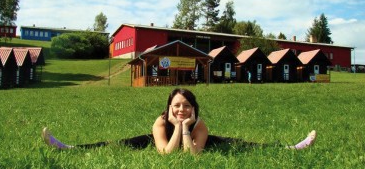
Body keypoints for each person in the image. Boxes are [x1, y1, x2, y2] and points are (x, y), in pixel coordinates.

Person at [42, 88, 317, 154]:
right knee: (121, 142)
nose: (182, 109)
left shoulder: (199, 124)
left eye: (186, 106)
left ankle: (290, 148)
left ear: (193, 108)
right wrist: (177, 127)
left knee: (240, 144)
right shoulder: (159, 122)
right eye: (177, 106)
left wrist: (187, 127)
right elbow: (166, 154)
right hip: (164, 140)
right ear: (169, 107)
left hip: (198, 142)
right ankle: (71, 148)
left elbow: (191, 154)